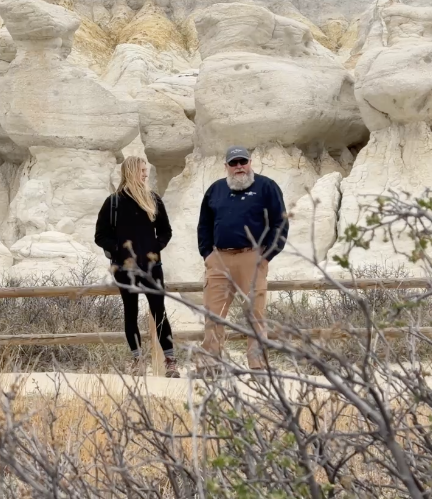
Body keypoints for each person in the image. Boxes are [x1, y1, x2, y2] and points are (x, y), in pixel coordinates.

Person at [195, 145, 288, 374]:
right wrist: (208, 254)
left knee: (256, 314)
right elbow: (204, 225)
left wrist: (266, 256)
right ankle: (210, 365)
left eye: (243, 162)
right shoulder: (215, 190)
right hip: (219, 259)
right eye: (234, 163)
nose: (239, 167)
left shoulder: (266, 187)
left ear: (250, 163)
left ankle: (258, 365)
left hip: (252, 257)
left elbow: (280, 223)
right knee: (213, 314)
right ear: (226, 166)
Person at [94, 156, 179, 378]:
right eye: (142, 170)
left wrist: (155, 248)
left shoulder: (153, 199)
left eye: (146, 170)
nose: (145, 174)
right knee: (130, 312)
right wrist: (119, 250)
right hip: (125, 269)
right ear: (131, 171)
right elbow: (100, 236)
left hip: (152, 268)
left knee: (159, 311)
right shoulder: (113, 202)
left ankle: (171, 362)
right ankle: (137, 361)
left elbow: (166, 231)